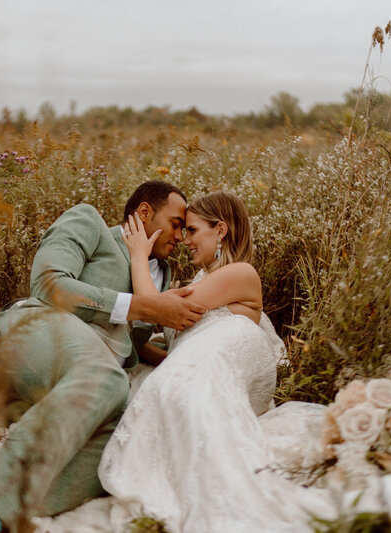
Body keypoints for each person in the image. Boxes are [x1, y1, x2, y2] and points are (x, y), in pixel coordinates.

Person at [0, 181, 207, 532]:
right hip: (34, 330)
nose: (181, 235)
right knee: (107, 377)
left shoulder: (161, 277)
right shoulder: (91, 225)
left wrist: (181, 356)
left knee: (128, 443)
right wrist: (143, 306)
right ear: (145, 212)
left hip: (82, 380)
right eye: (176, 223)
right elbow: (49, 284)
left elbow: (128, 344)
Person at [98, 191, 324, 532]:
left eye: (192, 230)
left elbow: (157, 307)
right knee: (165, 391)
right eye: (183, 230)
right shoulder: (199, 285)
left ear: (220, 231)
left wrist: (139, 256)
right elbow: (176, 342)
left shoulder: (241, 273)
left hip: (221, 365)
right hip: (197, 363)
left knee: (179, 392)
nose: (184, 239)